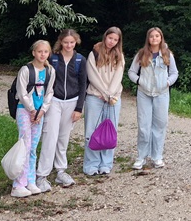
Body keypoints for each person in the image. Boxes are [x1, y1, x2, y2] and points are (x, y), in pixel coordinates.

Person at [36, 29, 87, 191]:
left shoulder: (80, 60)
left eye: (72, 42)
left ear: (76, 42)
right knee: (50, 136)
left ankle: (61, 171)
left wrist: (79, 108)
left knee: (63, 138)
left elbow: (83, 84)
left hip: (72, 102)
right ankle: (42, 175)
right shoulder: (53, 58)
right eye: (66, 42)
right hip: (54, 101)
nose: (69, 45)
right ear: (61, 42)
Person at [129, 27, 179, 170]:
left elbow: (174, 73)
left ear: (161, 38)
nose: (154, 38)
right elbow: (131, 72)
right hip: (144, 93)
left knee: (160, 125)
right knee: (144, 126)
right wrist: (139, 81)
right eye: (152, 36)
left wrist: (167, 82)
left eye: (157, 36)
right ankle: (141, 157)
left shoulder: (167, 54)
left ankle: (157, 156)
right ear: (148, 39)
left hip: (162, 94)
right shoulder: (141, 54)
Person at [11, 40, 56, 198]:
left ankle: (30, 180)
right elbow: (22, 92)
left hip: (39, 113)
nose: (42, 54)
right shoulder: (26, 70)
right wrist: (32, 110)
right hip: (25, 111)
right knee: (25, 145)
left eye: (45, 52)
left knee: (33, 148)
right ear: (33, 53)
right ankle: (18, 184)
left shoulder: (50, 71)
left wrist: (42, 110)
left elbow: (49, 92)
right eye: (39, 51)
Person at [83, 27, 125, 176]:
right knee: (92, 131)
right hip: (95, 97)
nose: (112, 42)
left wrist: (110, 94)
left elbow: (118, 76)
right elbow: (92, 75)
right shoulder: (94, 53)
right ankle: (91, 165)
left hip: (113, 98)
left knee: (110, 131)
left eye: (115, 40)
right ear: (105, 37)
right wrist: (104, 92)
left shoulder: (119, 56)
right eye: (110, 38)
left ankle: (106, 164)